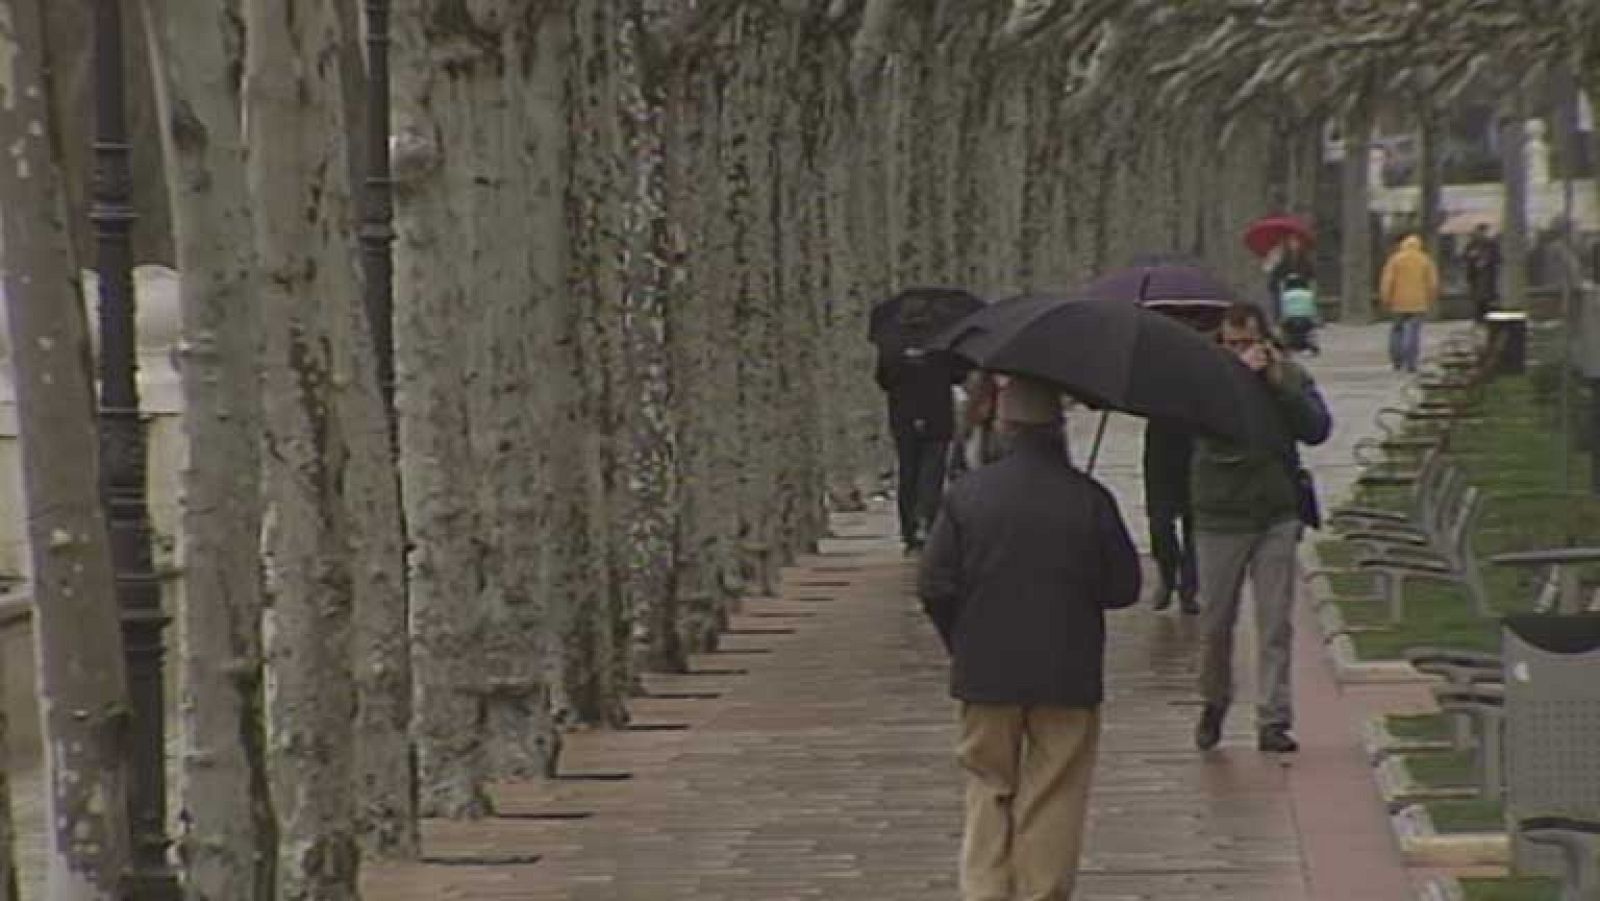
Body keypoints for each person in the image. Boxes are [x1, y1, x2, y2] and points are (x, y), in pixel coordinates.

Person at [919, 376, 1141, 901]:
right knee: (1055, 790)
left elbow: (934, 584)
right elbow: (1122, 588)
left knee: (987, 783)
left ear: (1003, 426)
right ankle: (1042, 890)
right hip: (1067, 669)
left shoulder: (967, 496)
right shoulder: (1088, 498)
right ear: (1059, 428)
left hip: (986, 670)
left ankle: (986, 889)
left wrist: (962, 640)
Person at [1192, 303, 1332, 755]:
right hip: (1220, 515)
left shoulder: (1286, 376)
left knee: (1275, 622)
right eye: (1230, 344)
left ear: (1264, 341)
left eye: (1247, 343)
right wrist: (1234, 380)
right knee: (1216, 622)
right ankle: (1213, 701)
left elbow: (1316, 429)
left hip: (1275, 512)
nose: (1240, 352)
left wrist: (1278, 385)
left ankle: (1274, 718)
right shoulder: (1205, 381)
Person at [875, 337, 964, 553]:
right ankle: (929, 522)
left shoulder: (891, 345)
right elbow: (958, 375)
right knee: (932, 472)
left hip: (904, 416)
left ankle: (910, 529)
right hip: (937, 415)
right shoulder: (945, 343)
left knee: (908, 471)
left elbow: (883, 380)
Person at [1143, 419, 1198, 614]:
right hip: (1161, 451)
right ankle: (1167, 575)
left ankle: (1189, 588)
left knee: (1196, 525)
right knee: (1160, 523)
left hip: (1197, 446)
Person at [1379, 234, 1439, 373]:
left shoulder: (1395, 260)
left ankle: (1397, 360)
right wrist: (1431, 298)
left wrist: (1386, 299)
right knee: (1413, 332)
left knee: (1397, 331)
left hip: (1397, 302)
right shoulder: (1425, 260)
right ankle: (1411, 361)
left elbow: (1387, 281)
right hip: (1419, 303)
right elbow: (1432, 283)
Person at [1462, 224, 1501, 322]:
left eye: (1482, 232)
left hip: (1488, 276)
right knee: (1477, 299)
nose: (1480, 234)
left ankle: (1487, 319)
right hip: (1475, 276)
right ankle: (1479, 319)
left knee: (1487, 299)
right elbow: (1464, 256)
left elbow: (1498, 258)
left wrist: (1487, 261)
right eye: (1479, 232)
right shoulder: (1472, 244)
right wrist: (1471, 256)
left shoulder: (1491, 244)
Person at [1277, 273, 1320, 355]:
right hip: (1306, 319)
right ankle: (1313, 345)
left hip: (1291, 319)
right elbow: (1313, 309)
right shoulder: (1308, 294)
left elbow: (1284, 310)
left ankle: (1284, 346)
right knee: (1312, 330)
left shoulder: (1286, 295)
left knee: (1282, 328)